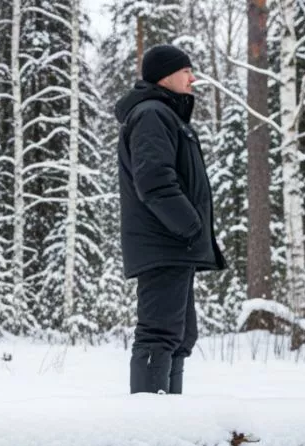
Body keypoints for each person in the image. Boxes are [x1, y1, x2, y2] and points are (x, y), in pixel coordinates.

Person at [114, 44, 227, 395]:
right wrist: (190, 226)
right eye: (186, 71)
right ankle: (149, 420)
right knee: (159, 334)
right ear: (165, 76)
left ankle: (171, 417)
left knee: (180, 336)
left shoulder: (165, 114)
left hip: (174, 244)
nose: (193, 78)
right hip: (164, 242)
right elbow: (154, 181)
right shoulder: (152, 114)